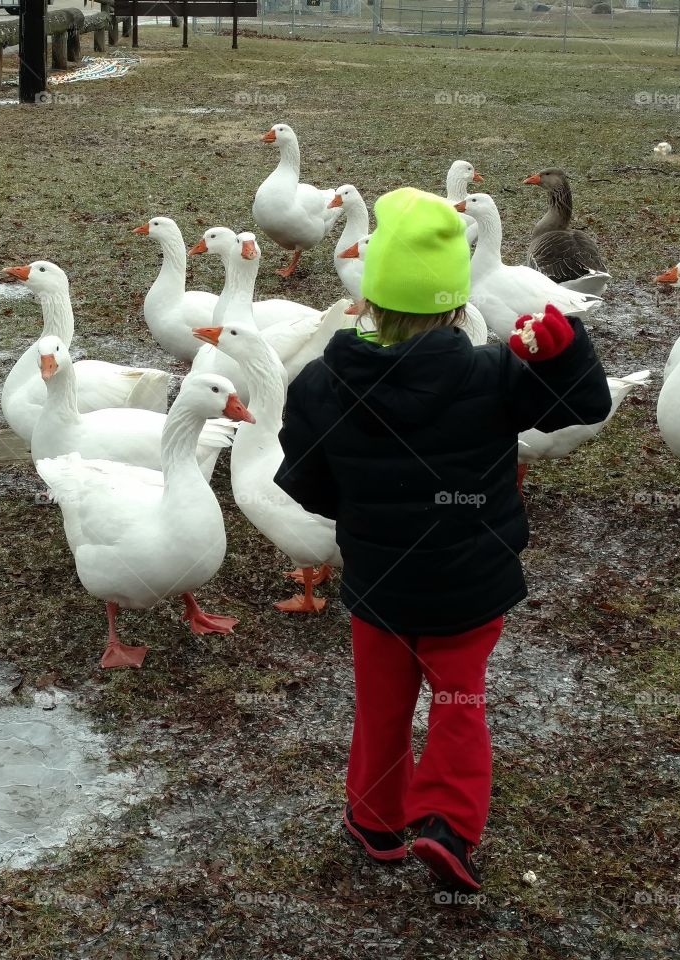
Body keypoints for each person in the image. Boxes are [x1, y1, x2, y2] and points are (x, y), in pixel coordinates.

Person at [274, 187, 612, 892]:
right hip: (470, 584)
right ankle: (450, 825)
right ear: (458, 305)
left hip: (379, 584)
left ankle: (374, 820)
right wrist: (565, 350)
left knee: (382, 703)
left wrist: (365, 512)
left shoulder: (320, 385)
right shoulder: (492, 375)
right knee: (459, 701)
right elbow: (582, 405)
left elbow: (303, 481)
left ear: (368, 299)